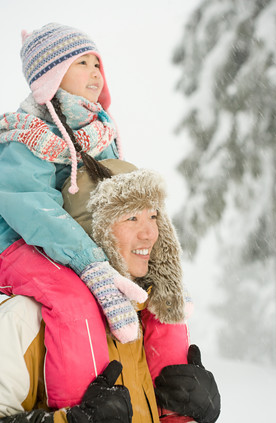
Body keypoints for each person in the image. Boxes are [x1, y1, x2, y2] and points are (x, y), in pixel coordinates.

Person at [0, 158, 221, 423]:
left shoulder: (146, 314)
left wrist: (196, 413)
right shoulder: (25, 318)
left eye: (153, 215)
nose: (150, 233)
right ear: (92, 230)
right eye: (132, 217)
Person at [0, 22, 147, 409]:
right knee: (73, 299)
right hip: (17, 245)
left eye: (97, 63)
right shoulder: (28, 133)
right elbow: (31, 207)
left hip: (75, 243)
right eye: (81, 62)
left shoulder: (99, 131)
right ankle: (84, 408)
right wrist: (89, 262)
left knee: (158, 293)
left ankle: (175, 405)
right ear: (50, 76)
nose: (95, 72)